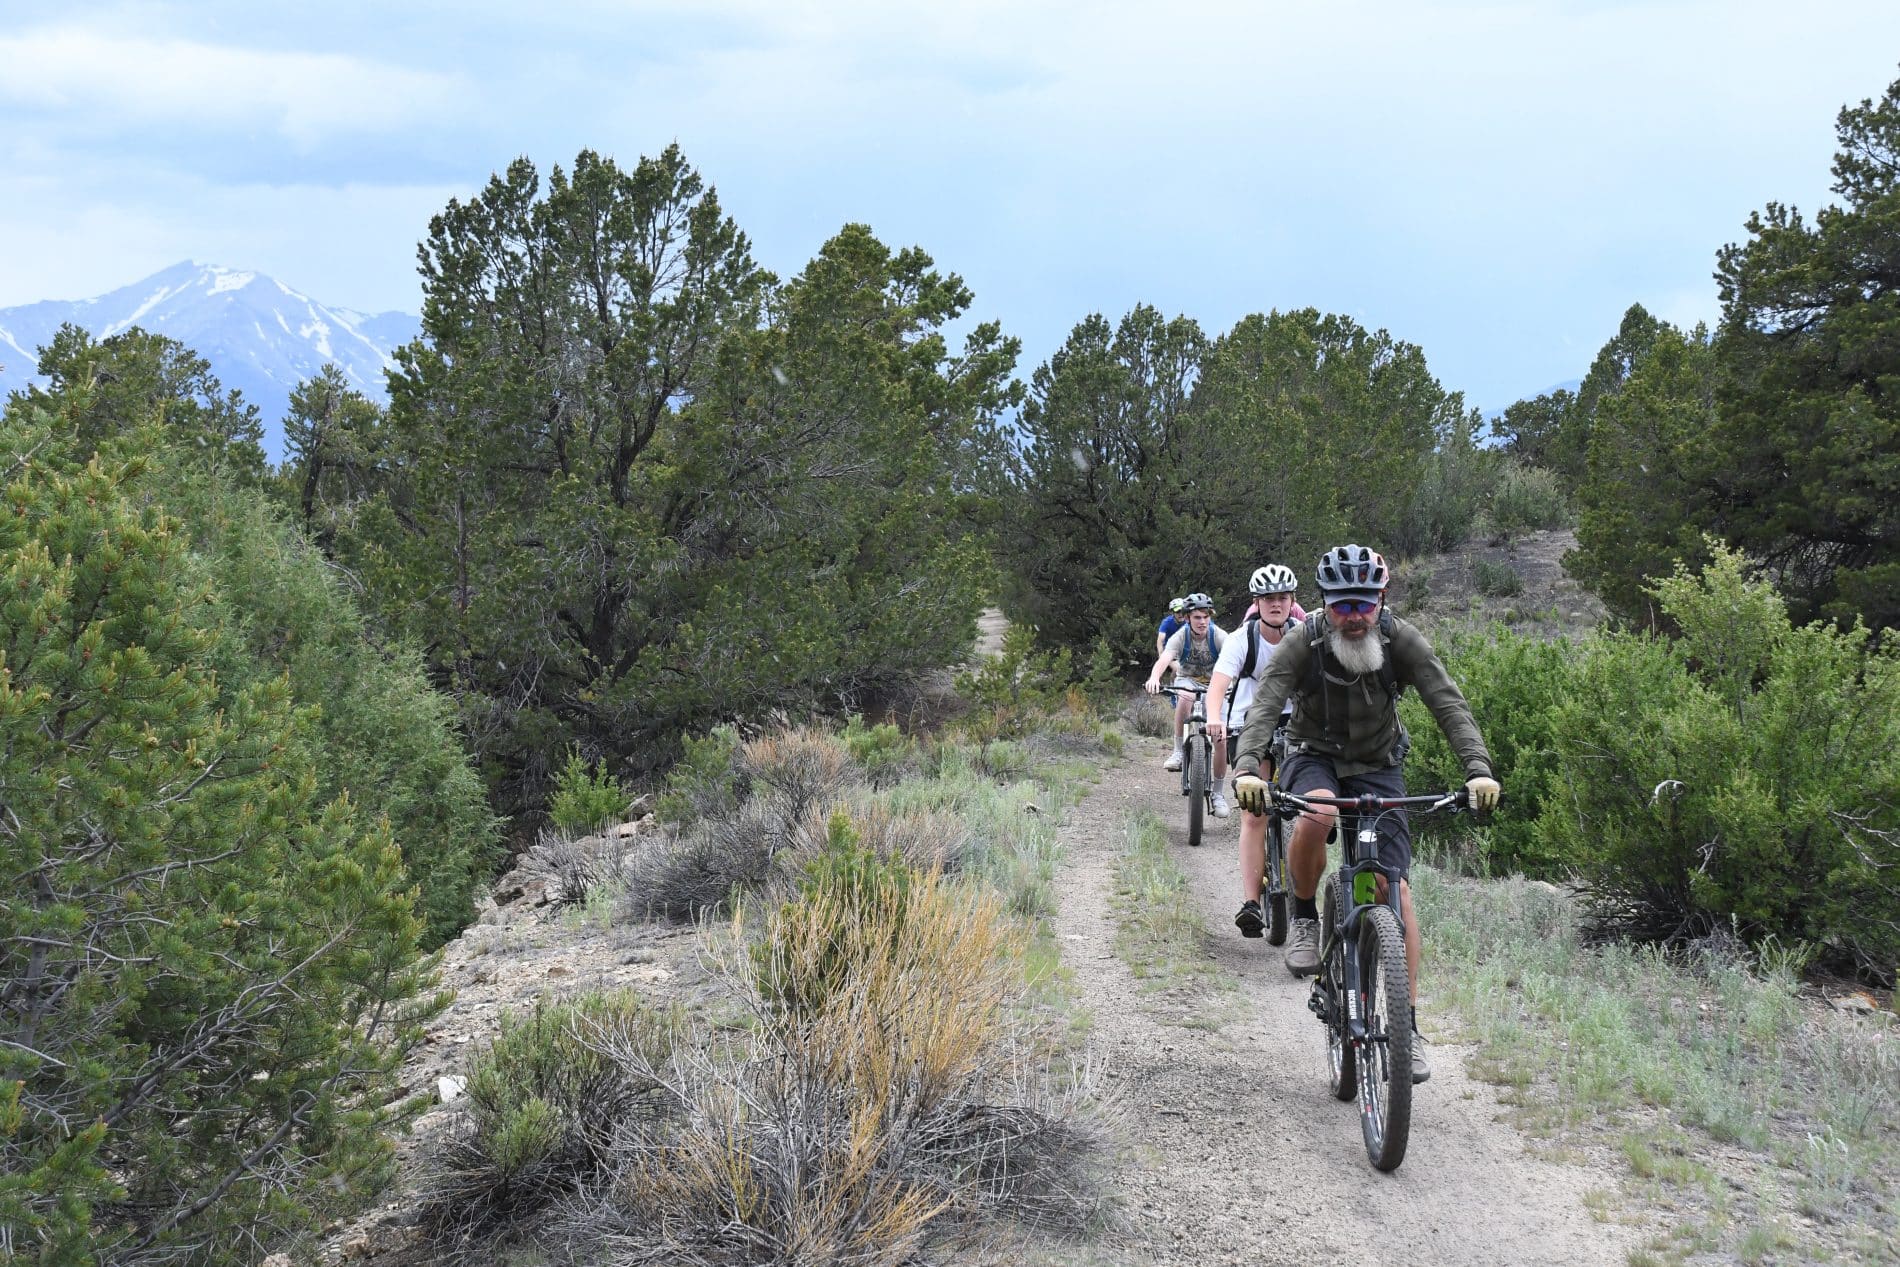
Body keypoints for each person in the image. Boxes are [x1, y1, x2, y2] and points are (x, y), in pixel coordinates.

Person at [1232, 545, 1501, 1083]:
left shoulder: (1401, 639)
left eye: (1364, 604)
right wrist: (1247, 769)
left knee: (1395, 892)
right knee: (1318, 813)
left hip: (1379, 764)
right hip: (1313, 755)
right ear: (1324, 605)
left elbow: (1446, 701)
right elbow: (1266, 704)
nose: (1354, 617)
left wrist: (1477, 768)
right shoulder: (1301, 643)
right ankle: (1306, 917)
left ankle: (1407, 1025)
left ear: (1381, 600)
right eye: (1341, 606)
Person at [1206, 564, 1305, 936]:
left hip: (1297, 724)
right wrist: (1213, 717)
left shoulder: (1304, 635)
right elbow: (1218, 685)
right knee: (1254, 812)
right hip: (1248, 726)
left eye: (1282, 597)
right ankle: (1251, 902)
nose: (1276, 604)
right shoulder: (1241, 640)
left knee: (1308, 804)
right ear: (1257, 603)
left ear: (1292, 601)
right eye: (1268, 598)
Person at [1144, 593, 1231, 817]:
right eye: (1196, 617)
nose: (1202, 622)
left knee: (1221, 736)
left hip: (1216, 684)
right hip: (1188, 679)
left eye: (1205, 617)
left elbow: (1235, 661)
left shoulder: (1219, 636)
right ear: (1187, 618)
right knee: (1185, 696)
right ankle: (1178, 751)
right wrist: (1154, 678)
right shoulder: (1181, 637)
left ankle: (1218, 793)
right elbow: (1164, 659)